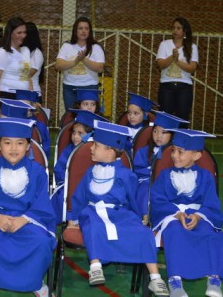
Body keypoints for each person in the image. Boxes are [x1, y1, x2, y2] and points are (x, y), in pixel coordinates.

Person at [68, 120, 169, 296]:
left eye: (96, 146)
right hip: (93, 211)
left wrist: (139, 217)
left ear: (110, 152)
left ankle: (155, 277)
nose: (91, 148)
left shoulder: (125, 174)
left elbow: (132, 197)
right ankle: (95, 265)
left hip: (119, 212)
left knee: (143, 233)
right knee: (94, 226)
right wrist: (72, 219)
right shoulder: (90, 173)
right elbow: (79, 197)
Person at [0, 117, 56, 297]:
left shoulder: (38, 171)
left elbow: (42, 203)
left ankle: (35, 283)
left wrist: (23, 220)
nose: (14, 148)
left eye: (20, 143)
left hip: (28, 218)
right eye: (7, 143)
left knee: (40, 242)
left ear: (28, 146)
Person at [150, 129, 223, 297]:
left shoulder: (206, 176)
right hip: (172, 216)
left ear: (196, 156)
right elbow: (157, 199)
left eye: (181, 152)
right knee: (175, 232)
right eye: (174, 150)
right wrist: (176, 214)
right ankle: (175, 281)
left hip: (199, 216)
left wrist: (199, 216)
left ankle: (214, 278)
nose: (175, 155)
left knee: (209, 233)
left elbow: (211, 202)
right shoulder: (164, 175)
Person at [52, 109, 108, 224]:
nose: (75, 136)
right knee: (64, 195)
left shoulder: (97, 151)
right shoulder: (69, 150)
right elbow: (59, 169)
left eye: (80, 133)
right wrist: (70, 180)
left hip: (91, 187)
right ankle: (68, 220)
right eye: (73, 132)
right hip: (69, 185)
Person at [133, 110, 188, 225]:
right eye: (155, 131)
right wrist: (151, 171)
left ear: (172, 135)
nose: (158, 136)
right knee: (147, 188)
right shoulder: (144, 151)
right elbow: (137, 169)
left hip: (168, 183)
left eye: (163, 132)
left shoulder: (174, 155)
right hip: (146, 181)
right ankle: (145, 215)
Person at [55, 16, 105, 111]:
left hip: (89, 86)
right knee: (71, 115)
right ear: (75, 31)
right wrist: (75, 61)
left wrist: (84, 59)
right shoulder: (67, 46)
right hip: (69, 88)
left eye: (86, 28)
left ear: (90, 31)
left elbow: (100, 68)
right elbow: (58, 65)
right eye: (80, 28)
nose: (83, 31)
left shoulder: (96, 47)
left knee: (88, 117)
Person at [156, 17, 198, 127]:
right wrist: (171, 57)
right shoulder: (164, 44)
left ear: (185, 31)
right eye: (174, 28)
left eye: (178, 28)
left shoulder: (192, 47)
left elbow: (192, 68)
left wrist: (177, 61)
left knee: (182, 118)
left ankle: (181, 143)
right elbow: (160, 65)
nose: (175, 30)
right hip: (166, 86)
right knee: (165, 117)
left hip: (184, 87)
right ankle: (165, 142)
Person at [0, 17, 32, 117]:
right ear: (10, 33)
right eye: (19, 33)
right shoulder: (2, 53)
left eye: (24, 32)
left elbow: (28, 77)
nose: (23, 36)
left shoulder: (26, 50)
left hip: (24, 96)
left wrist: (32, 100)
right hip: (7, 96)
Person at [15, 89, 51, 159]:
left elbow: (46, 148)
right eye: (20, 106)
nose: (23, 109)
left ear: (32, 107)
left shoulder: (40, 126)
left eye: (26, 106)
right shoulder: (11, 123)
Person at [23, 22, 45, 103]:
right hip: (21, 94)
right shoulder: (22, 50)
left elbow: (27, 74)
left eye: (24, 33)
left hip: (33, 95)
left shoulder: (37, 53)